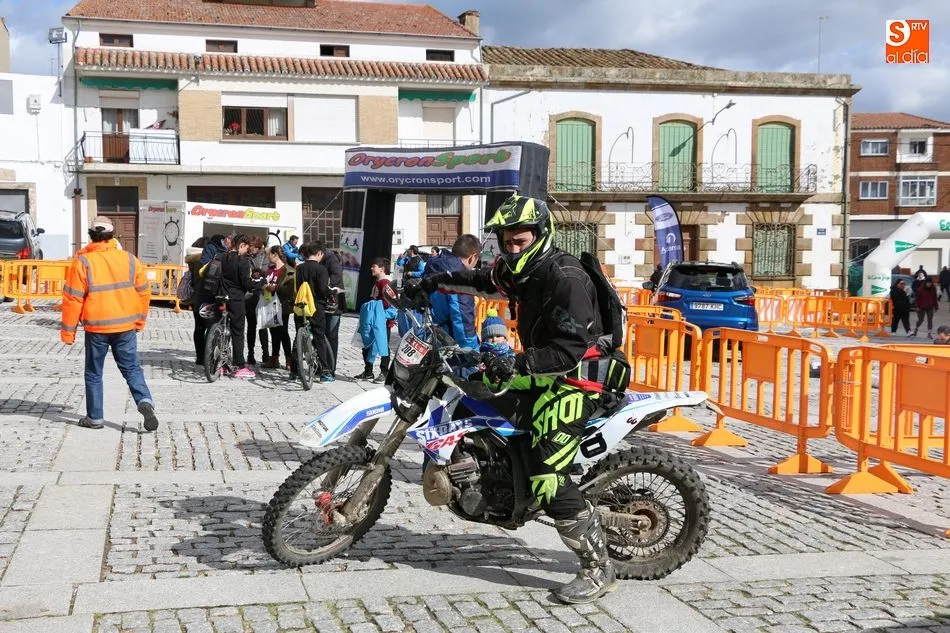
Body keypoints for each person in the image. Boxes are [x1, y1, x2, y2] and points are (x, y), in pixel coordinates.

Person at [407, 194, 618, 604]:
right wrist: (428, 283)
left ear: (540, 235)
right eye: (507, 243)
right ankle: (502, 481)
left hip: (580, 381)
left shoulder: (565, 278)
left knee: (548, 475)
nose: (513, 249)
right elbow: (478, 281)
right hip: (542, 371)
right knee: (471, 394)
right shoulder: (519, 271)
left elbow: (570, 349)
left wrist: (517, 363)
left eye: (520, 241)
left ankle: (598, 568)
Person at [60, 216, 158, 432]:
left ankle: (95, 417)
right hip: (125, 326)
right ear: (112, 235)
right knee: (132, 368)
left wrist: (68, 332)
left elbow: (73, 298)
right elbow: (144, 292)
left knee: (94, 373)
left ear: (91, 235)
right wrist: (140, 321)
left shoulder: (83, 262)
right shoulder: (129, 259)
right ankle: (144, 400)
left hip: (96, 327)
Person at [423, 233, 481, 351]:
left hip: (430, 338)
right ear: (473, 257)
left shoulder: (433, 267)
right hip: (450, 346)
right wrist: (473, 351)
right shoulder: (461, 280)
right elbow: (463, 321)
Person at [292, 243, 335, 382]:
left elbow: (297, 287)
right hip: (316, 307)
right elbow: (322, 289)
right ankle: (325, 372)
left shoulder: (299, 268)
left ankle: (294, 371)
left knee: (298, 337)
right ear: (319, 253)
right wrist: (331, 292)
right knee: (319, 337)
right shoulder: (321, 269)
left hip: (301, 306)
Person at [221, 234, 260, 379]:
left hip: (221, 296)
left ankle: (221, 365)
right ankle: (239, 365)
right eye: (246, 248)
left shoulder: (221, 257)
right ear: (241, 245)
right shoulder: (242, 261)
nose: (246, 252)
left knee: (222, 330)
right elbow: (246, 283)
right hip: (236, 299)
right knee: (237, 332)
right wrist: (259, 283)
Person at [354, 257, 396, 382]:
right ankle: (368, 371)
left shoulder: (385, 282)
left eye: (374, 266)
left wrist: (373, 306)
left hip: (382, 320)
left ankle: (384, 372)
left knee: (383, 346)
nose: (372, 268)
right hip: (374, 319)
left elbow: (387, 303)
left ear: (382, 268)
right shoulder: (378, 282)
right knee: (367, 345)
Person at [261, 246, 295, 370]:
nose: (267, 257)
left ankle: (289, 358)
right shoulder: (270, 269)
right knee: (273, 332)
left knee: (283, 331)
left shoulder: (287, 270)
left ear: (275, 254)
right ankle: (274, 358)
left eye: (268, 254)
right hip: (269, 303)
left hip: (282, 305)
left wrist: (275, 287)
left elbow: (290, 289)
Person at [318, 243, 345, 374]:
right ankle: (322, 366)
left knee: (331, 335)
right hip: (323, 302)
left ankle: (330, 367)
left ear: (319, 252)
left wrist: (322, 283)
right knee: (322, 335)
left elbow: (337, 276)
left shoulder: (331, 259)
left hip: (334, 304)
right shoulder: (321, 260)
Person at [244, 236, 268, 365]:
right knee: (251, 326)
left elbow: (267, 272)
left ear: (257, 247)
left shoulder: (265, 257)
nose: (249, 249)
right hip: (249, 296)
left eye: (251, 247)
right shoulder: (246, 258)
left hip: (262, 295)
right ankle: (250, 353)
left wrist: (260, 276)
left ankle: (265, 353)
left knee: (263, 326)